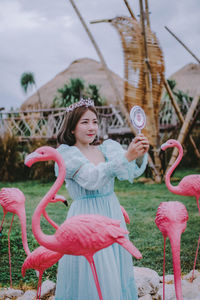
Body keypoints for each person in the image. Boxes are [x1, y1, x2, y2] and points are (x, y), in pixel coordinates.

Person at [54, 98, 149, 300]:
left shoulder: (106, 149)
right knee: (94, 268)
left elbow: (128, 172)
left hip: (111, 212)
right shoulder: (67, 155)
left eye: (95, 122)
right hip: (86, 219)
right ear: (72, 127)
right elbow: (92, 178)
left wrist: (138, 154)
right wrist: (126, 157)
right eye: (85, 122)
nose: (92, 127)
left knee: (114, 267)